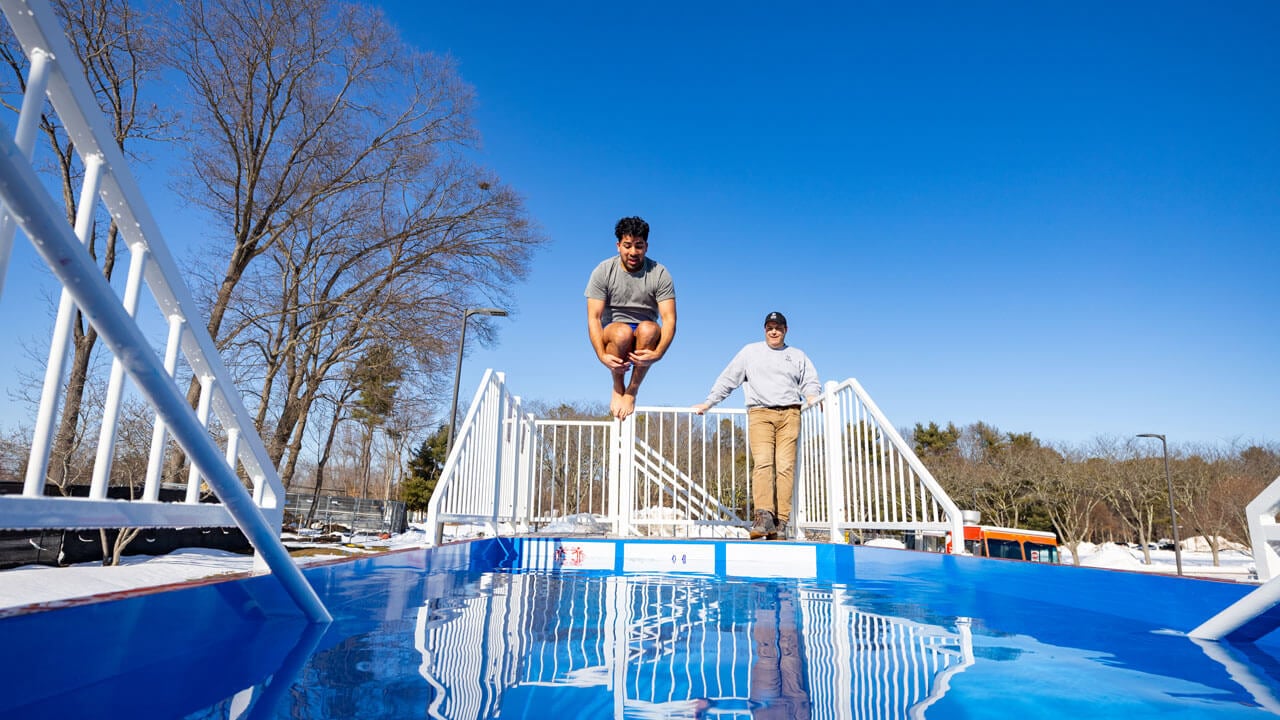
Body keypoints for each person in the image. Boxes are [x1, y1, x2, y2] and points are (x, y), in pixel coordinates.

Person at [692, 312, 820, 540]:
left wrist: (812, 397)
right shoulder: (750, 352)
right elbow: (728, 379)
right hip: (760, 413)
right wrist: (709, 402)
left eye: (778, 328)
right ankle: (763, 517)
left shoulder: (797, 355)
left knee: (785, 467)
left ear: (785, 330)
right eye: (770, 327)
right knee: (763, 463)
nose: (774, 331)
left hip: (790, 413)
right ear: (764, 330)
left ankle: (781, 523)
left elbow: (809, 380)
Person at [585, 216, 677, 420]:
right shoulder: (603, 271)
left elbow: (669, 319)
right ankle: (618, 385)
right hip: (614, 328)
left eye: (639, 246)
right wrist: (601, 355)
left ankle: (632, 390)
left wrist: (659, 353)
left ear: (646, 246)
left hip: (645, 330)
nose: (633, 252)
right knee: (622, 332)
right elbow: (594, 317)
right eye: (627, 246)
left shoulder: (659, 273)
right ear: (618, 245)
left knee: (650, 328)